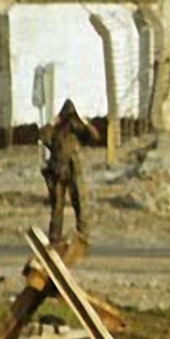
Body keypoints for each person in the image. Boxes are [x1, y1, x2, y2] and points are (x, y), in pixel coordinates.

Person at [40, 99, 100, 244]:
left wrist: (85, 123)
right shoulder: (56, 130)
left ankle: (83, 234)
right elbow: (44, 136)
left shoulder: (77, 129)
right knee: (57, 206)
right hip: (57, 171)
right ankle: (55, 237)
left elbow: (95, 137)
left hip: (74, 169)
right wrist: (53, 123)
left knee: (79, 202)